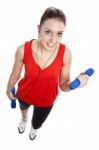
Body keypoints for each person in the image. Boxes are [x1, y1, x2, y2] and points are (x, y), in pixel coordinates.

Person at [6, 7, 89, 140]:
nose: (53, 40)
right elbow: (15, 74)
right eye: (48, 32)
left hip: (46, 100)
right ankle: (24, 119)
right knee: (23, 108)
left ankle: (33, 127)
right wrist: (8, 89)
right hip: (24, 93)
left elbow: (63, 85)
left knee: (38, 123)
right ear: (39, 29)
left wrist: (76, 84)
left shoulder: (66, 54)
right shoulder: (23, 49)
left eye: (59, 34)